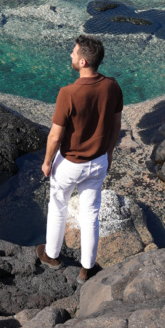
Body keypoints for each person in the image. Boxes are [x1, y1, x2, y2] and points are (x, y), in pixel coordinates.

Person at [37, 34, 124, 282]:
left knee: (58, 207)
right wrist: (109, 152)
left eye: (74, 53)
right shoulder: (112, 86)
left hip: (70, 164)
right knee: (90, 213)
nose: (71, 56)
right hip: (98, 162)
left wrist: (46, 162)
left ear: (83, 62)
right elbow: (116, 125)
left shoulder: (69, 92)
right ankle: (87, 269)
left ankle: (51, 255)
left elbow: (55, 136)